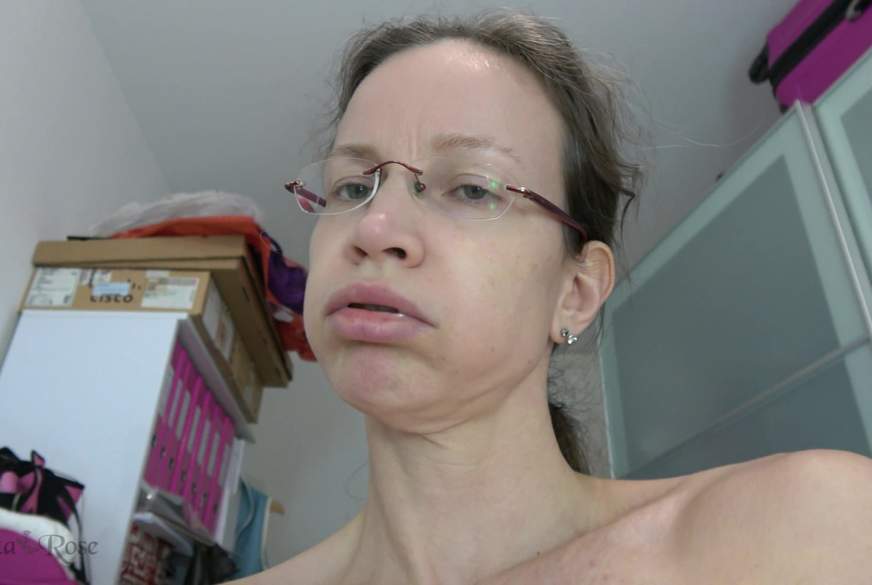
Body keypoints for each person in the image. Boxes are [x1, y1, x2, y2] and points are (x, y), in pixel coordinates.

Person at [231, 9, 872, 585]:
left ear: (576, 291)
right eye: (351, 188)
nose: (374, 229)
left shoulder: (803, 532)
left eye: (472, 188)